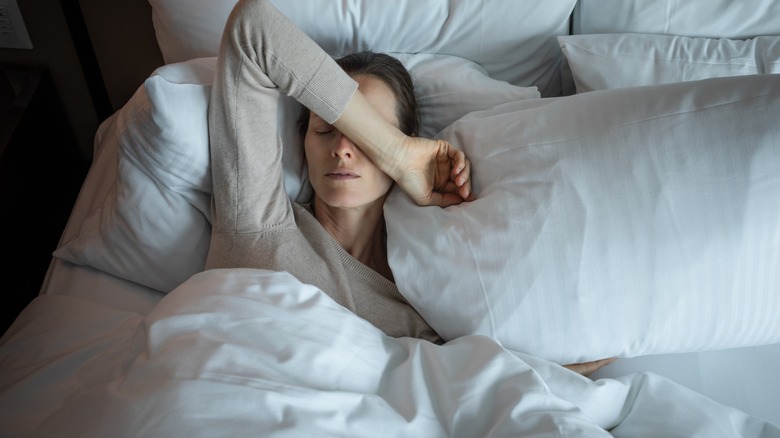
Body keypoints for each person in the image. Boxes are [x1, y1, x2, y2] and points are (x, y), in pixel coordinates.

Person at [207, 0, 611, 375]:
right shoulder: (258, 223)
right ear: (304, 143)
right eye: (326, 130)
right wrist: (397, 154)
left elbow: (476, 383)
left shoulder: (426, 301)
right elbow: (251, 26)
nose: (343, 149)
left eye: (367, 136)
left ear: (412, 135)